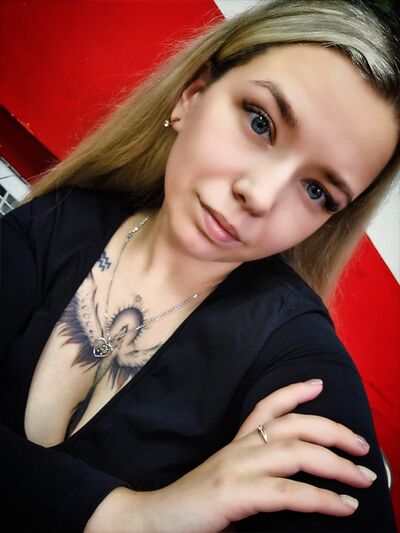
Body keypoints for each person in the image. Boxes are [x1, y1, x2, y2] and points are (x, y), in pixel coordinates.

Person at [1, 0, 399, 531]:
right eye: (260, 122)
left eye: (316, 191)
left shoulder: (291, 348)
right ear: (192, 96)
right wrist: (129, 518)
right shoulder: (60, 218)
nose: (259, 195)